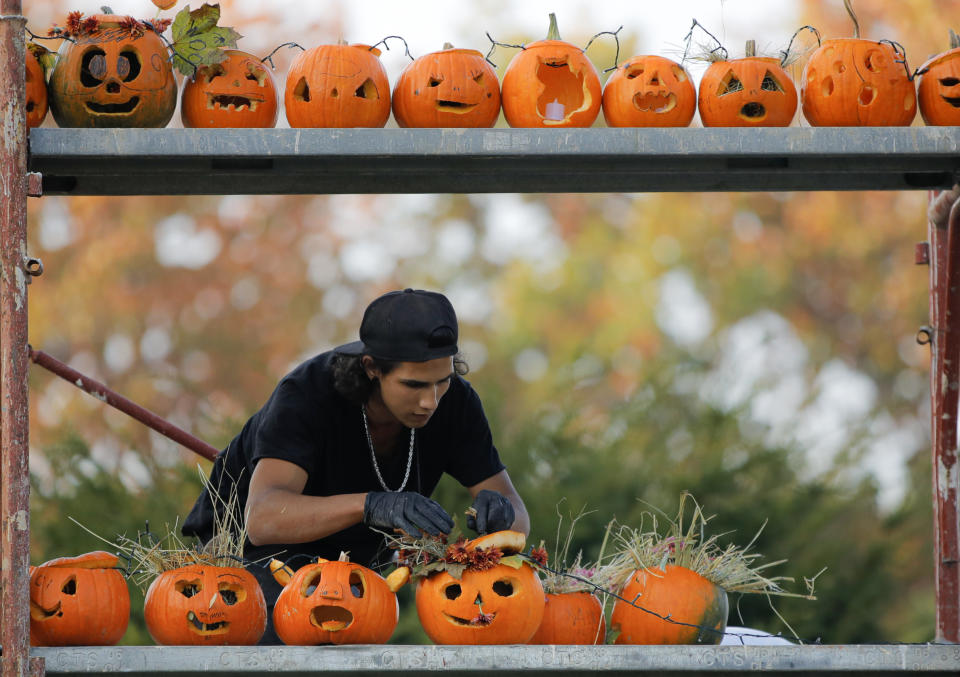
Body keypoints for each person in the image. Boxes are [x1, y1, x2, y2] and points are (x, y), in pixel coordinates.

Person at [182, 288, 528, 643]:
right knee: (294, 639)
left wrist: (501, 514)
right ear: (371, 367)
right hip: (251, 559)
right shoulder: (305, 394)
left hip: (353, 564)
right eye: (414, 385)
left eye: (443, 381)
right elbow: (263, 519)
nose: (430, 401)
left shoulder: (456, 404)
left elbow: (519, 515)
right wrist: (373, 505)